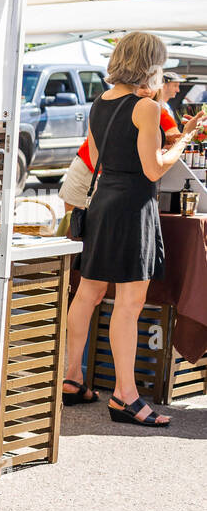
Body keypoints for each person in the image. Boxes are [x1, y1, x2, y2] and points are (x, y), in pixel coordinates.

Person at [62, 32, 204, 427]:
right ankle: (125, 396)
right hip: (132, 208)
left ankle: (73, 377)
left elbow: (98, 154)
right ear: (150, 65)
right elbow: (154, 168)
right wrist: (185, 138)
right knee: (128, 304)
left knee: (88, 293)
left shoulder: (99, 102)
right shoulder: (144, 107)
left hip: (104, 202)